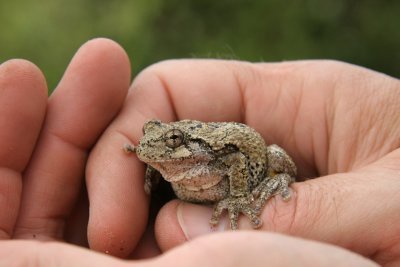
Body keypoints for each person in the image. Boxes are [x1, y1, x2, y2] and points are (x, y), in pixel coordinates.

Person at [0, 38, 398, 266]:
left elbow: (239, 157)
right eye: (153, 138)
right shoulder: (167, 154)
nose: (160, 146)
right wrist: (152, 161)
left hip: (251, 164)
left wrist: (242, 196)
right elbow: (154, 147)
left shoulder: (214, 154)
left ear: (188, 145)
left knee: (276, 154)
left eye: (172, 143)